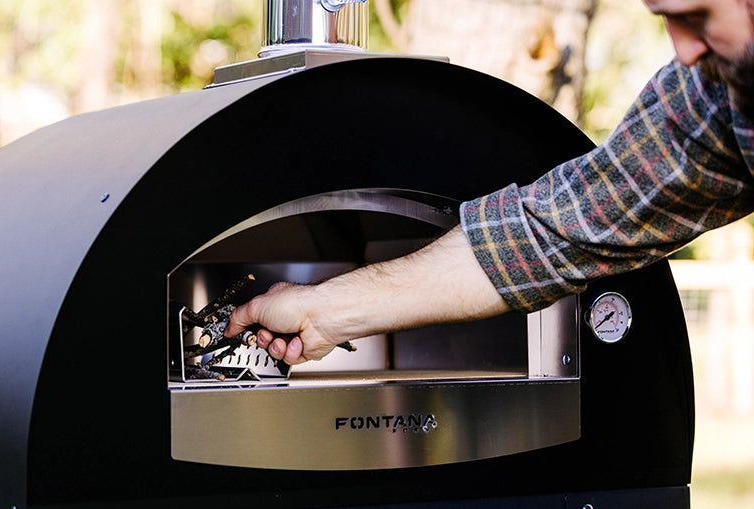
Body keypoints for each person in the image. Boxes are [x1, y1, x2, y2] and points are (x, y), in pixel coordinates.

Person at [225, 0, 754, 365]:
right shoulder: (716, 98)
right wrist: (324, 312)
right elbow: (545, 235)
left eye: (699, 17)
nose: (684, 51)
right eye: (668, 20)